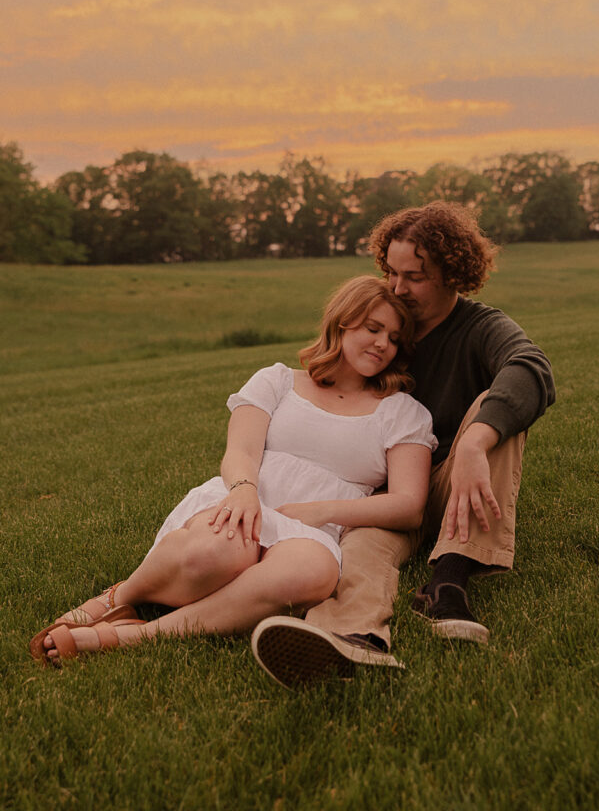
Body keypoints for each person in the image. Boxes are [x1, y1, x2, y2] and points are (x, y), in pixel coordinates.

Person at [29, 276, 437, 666]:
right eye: (373, 328)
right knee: (217, 552)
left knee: (310, 572)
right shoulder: (277, 381)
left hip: (315, 529)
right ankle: (121, 596)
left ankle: (132, 635)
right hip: (247, 495)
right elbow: (240, 450)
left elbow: (408, 505)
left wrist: (321, 511)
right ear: (342, 322)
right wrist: (243, 490)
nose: (383, 344)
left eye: (395, 338)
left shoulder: (402, 412)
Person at [251, 201, 556, 687]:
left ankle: (449, 578)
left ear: (452, 273)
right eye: (391, 272)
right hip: (382, 499)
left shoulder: (480, 328)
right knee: (365, 548)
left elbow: (531, 368)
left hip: (449, 483)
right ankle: (351, 639)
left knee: (495, 414)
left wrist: (475, 443)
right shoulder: (385, 327)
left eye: (413, 276)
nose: (397, 288)